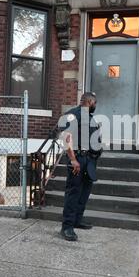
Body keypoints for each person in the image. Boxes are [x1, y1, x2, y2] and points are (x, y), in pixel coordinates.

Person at [59, 92, 102, 241]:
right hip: (77, 159)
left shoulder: (89, 117)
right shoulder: (73, 115)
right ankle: (67, 227)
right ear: (90, 102)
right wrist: (72, 159)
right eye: (95, 103)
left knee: (84, 192)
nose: (95, 106)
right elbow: (66, 138)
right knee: (74, 193)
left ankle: (77, 220)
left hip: (89, 160)